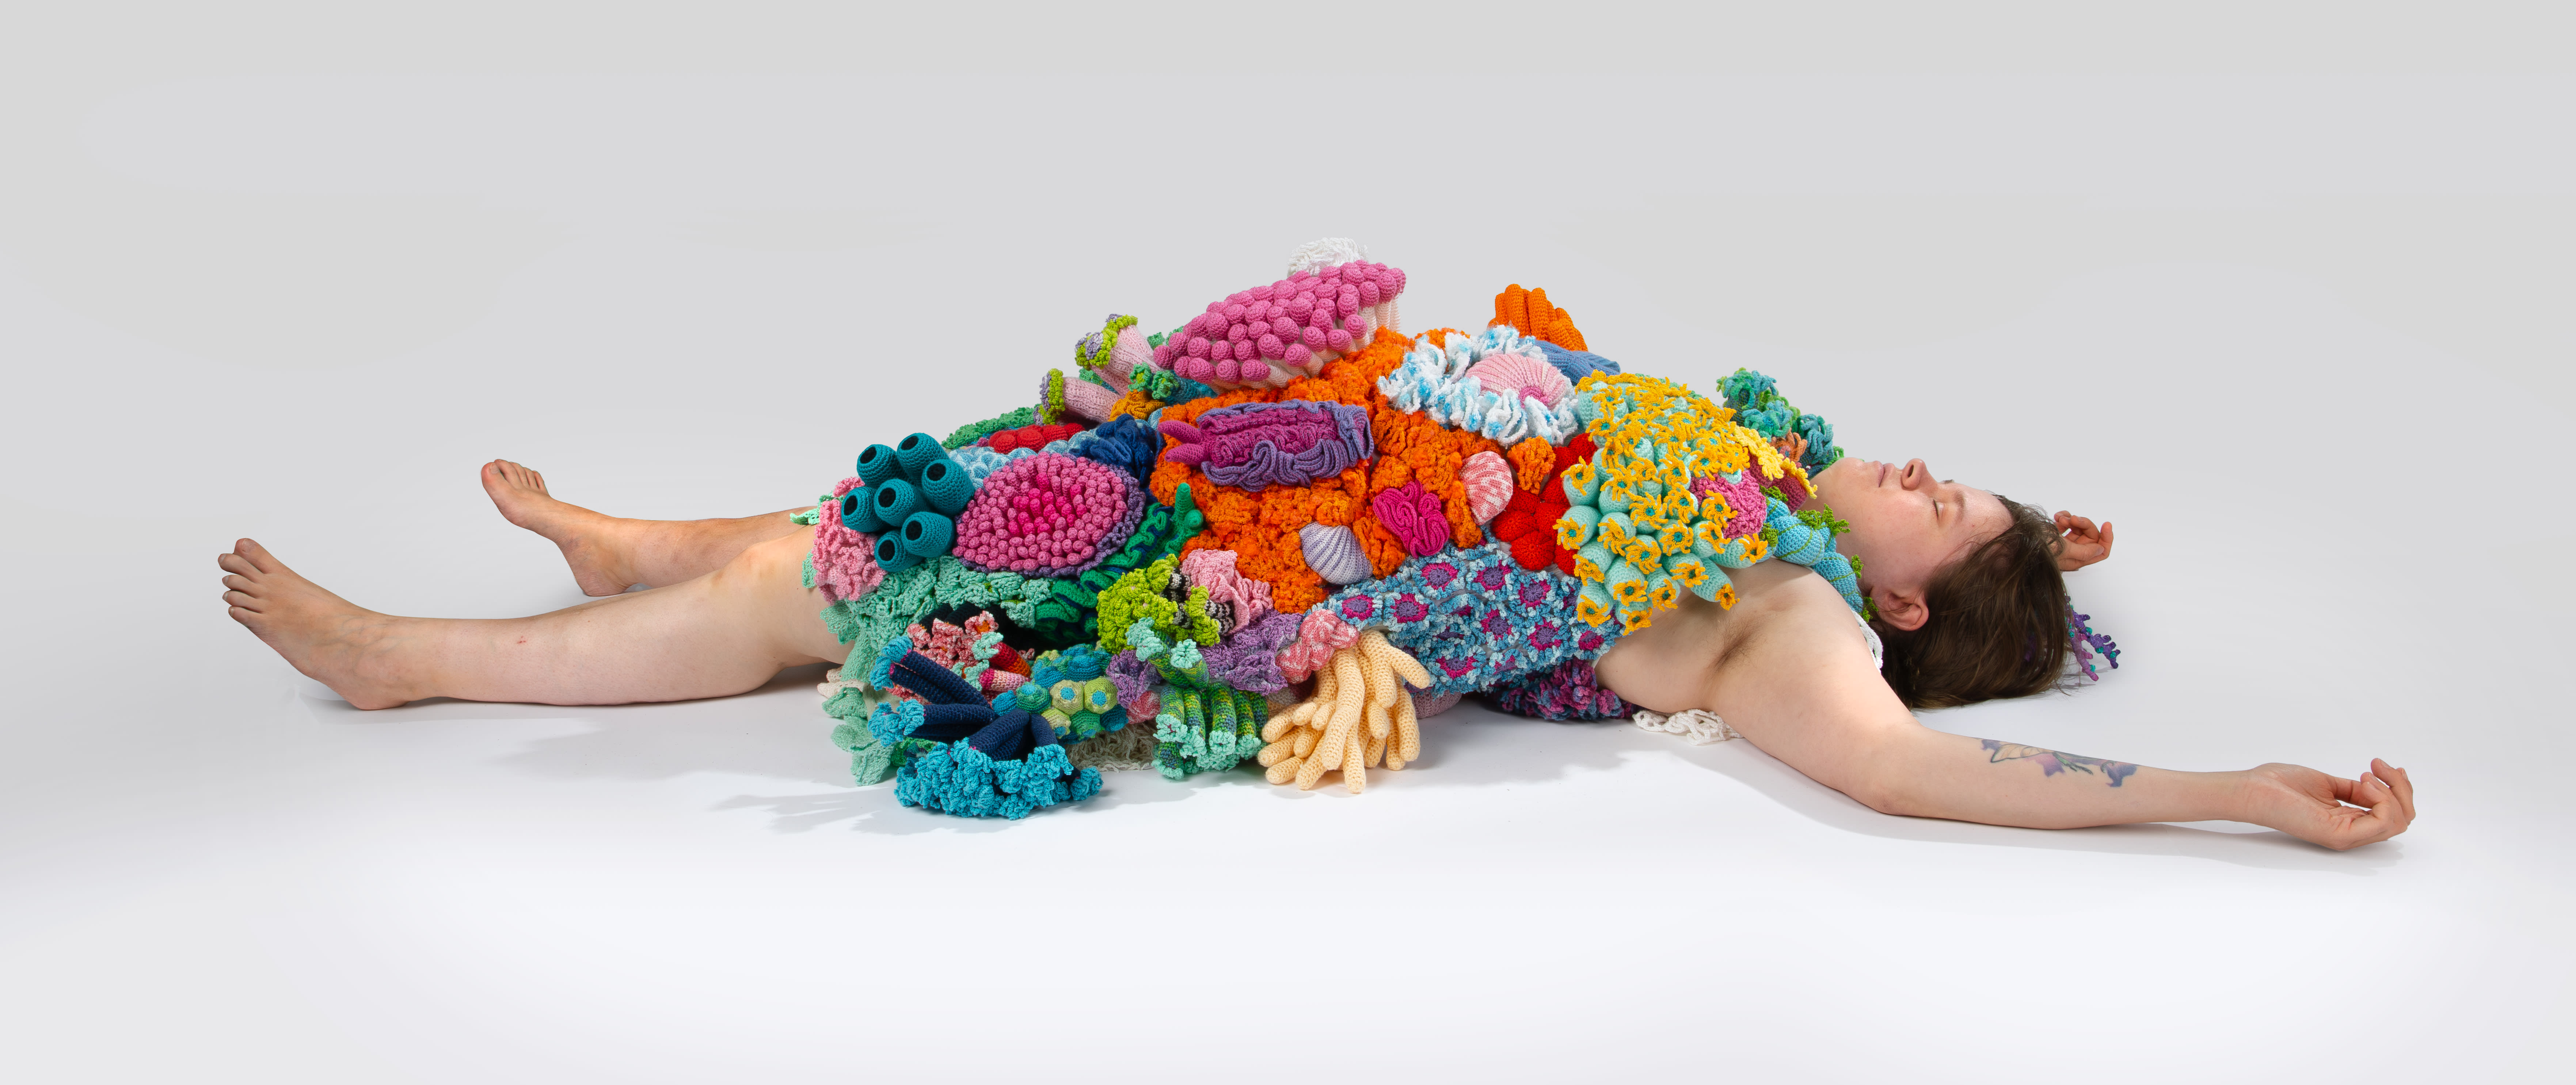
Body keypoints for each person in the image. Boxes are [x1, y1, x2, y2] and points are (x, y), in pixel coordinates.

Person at [218, 449, 2414, 850]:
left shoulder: (1788, 613)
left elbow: (1924, 764)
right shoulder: (1764, 480)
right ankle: (645, 549)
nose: (1920, 466)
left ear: (1901, 603)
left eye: (1948, 505)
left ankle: (416, 659)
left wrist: (2231, 794)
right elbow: (1987, 601)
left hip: (1268, 609)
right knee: (962, 470)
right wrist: (2054, 562)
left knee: (855, 590)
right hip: (1295, 480)